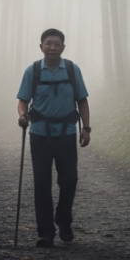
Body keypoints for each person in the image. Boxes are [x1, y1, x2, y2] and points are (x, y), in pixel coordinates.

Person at [16, 28, 91, 248]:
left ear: (63, 47)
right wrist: (22, 115)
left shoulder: (71, 69)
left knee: (69, 181)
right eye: (48, 43)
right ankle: (45, 233)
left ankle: (63, 220)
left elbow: (82, 100)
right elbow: (23, 100)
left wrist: (86, 128)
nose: (52, 47)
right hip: (39, 134)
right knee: (42, 184)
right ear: (41, 47)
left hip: (67, 133)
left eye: (56, 44)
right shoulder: (33, 70)